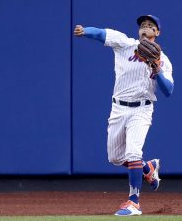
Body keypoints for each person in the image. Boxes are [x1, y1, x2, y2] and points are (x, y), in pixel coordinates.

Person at [74, 15, 174, 216]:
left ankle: (134, 202)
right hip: (118, 109)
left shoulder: (162, 60)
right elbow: (103, 33)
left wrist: (157, 70)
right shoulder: (125, 44)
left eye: (150, 26)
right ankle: (147, 169)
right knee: (115, 157)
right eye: (143, 25)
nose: (145, 28)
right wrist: (85, 31)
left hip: (141, 109)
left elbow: (168, 90)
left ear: (157, 33)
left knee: (133, 152)